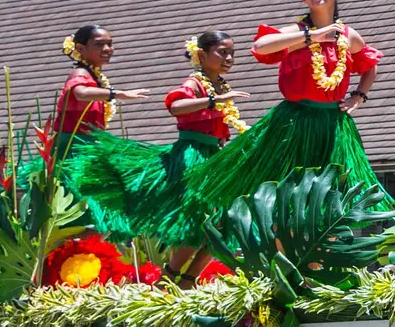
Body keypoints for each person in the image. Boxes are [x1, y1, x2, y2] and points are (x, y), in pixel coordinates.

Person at [186, 0, 393, 209]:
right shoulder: (297, 33)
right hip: (295, 121)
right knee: (287, 193)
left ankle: (323, 243)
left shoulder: (348, 36)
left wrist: (359, 95)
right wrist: (312, 38)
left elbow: (370, 65)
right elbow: (261, 46)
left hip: (333, 125)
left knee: (330, 196)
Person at [64, 32, 250, 262]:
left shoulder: (218, 85)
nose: (229, 58)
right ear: (201, 54)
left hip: (212, 155)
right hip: (193, 155)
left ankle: (183, 279)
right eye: (222, 52)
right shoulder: (195, 84)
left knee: (221, 220)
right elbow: (176, 106)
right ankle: (173, 276)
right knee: (198, 217)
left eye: (232, 52)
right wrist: (116, 94)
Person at [51, 25, 147, 157]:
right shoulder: (80, 73)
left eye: (109, 44)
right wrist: (117, 94)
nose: (107, 49)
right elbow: (81, 93)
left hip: (88, 145)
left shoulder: (94, 77)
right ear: (80, 48)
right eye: (99, 45)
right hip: (74, 149)